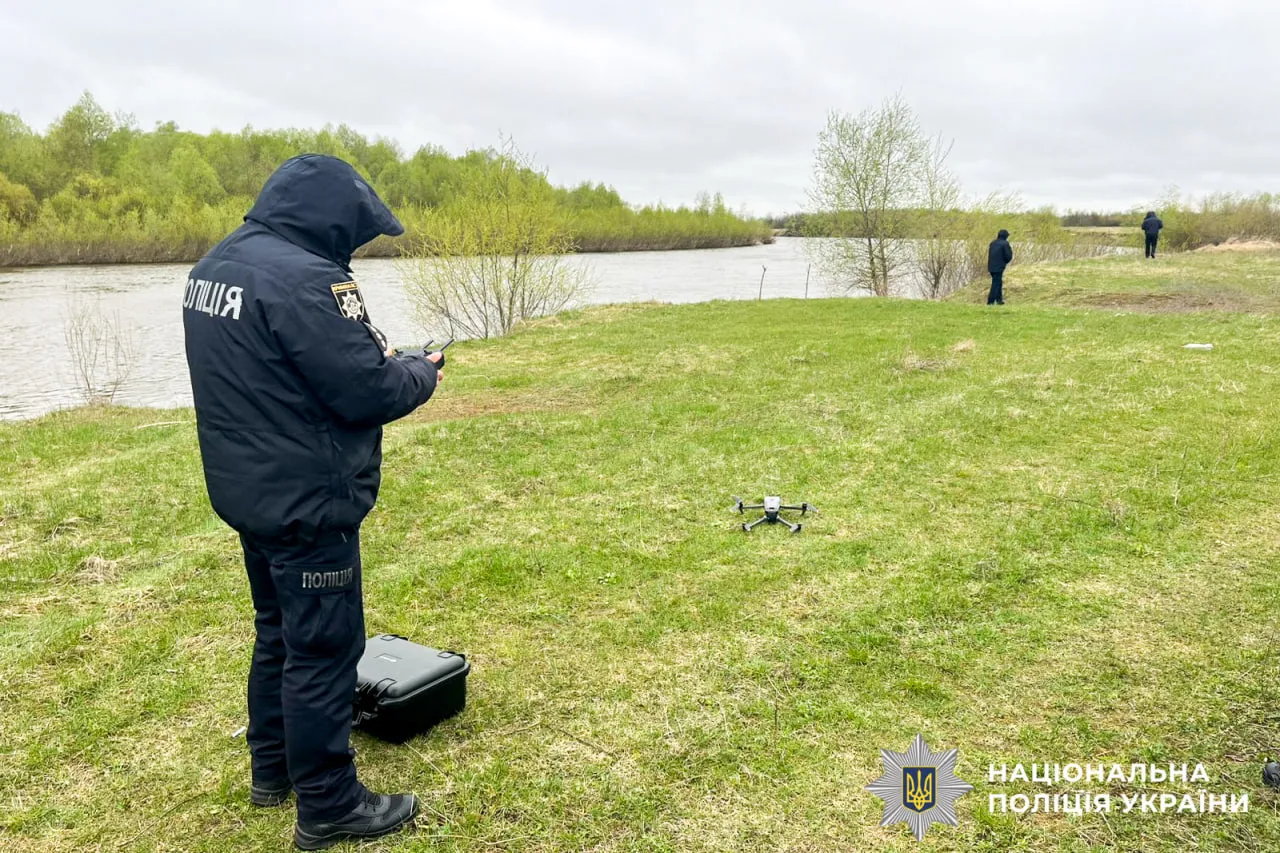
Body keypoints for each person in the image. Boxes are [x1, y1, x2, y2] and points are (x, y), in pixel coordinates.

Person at [182, 154, 443, 850]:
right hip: (308, 498)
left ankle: (272, 770)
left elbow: (281, 370)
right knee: (325, 649)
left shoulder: (215, 267)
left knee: (277, 630)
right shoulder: (308, 280)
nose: (353, 248)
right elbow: (367, 391)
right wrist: (420, 371)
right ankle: (329, 802)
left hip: (250, 490)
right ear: (331, 220)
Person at [987, 229, 1013, 305]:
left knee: (998, 282)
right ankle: (990, 301)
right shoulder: (1005, 244)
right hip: (999, 267)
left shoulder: (992, 243)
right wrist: (1005, 262)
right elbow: (1008, 256)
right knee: (996, 283)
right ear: (1005, 236)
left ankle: (999, 300)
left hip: (991, 266)